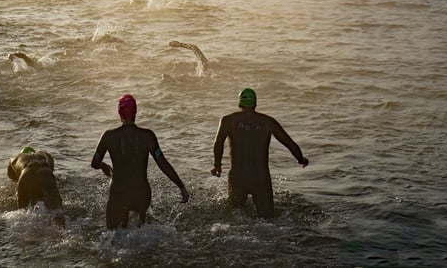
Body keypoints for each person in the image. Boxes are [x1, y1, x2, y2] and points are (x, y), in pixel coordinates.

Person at [91, 94, 189, 229]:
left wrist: (103, 165)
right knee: (140, 236)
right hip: (141, 193)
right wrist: (181, 186)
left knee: (114, 237)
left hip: (118, 193)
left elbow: (94, 162)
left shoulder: (108, 136)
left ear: (119, 113)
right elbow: (162, 163)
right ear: (135, 112)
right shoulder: (148, 136)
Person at [211, 88, 309, 218]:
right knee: (268, 220)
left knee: (235, 218)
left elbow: (218, 143)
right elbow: (289, 143)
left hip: (238, 177)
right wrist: (300, 158)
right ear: (255, 104)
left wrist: (217, 165)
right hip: (261, 178)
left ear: (239, 103)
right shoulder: (268, 122)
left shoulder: (228, 120)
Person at [7, 146, 64, 225]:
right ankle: (62, 231)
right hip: (45, 171)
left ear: (22, 154)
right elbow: (50, 171)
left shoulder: (15, 158)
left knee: (22, 211)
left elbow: (12, 176)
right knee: (57, 209)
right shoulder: (46, 154)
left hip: (26, 173)